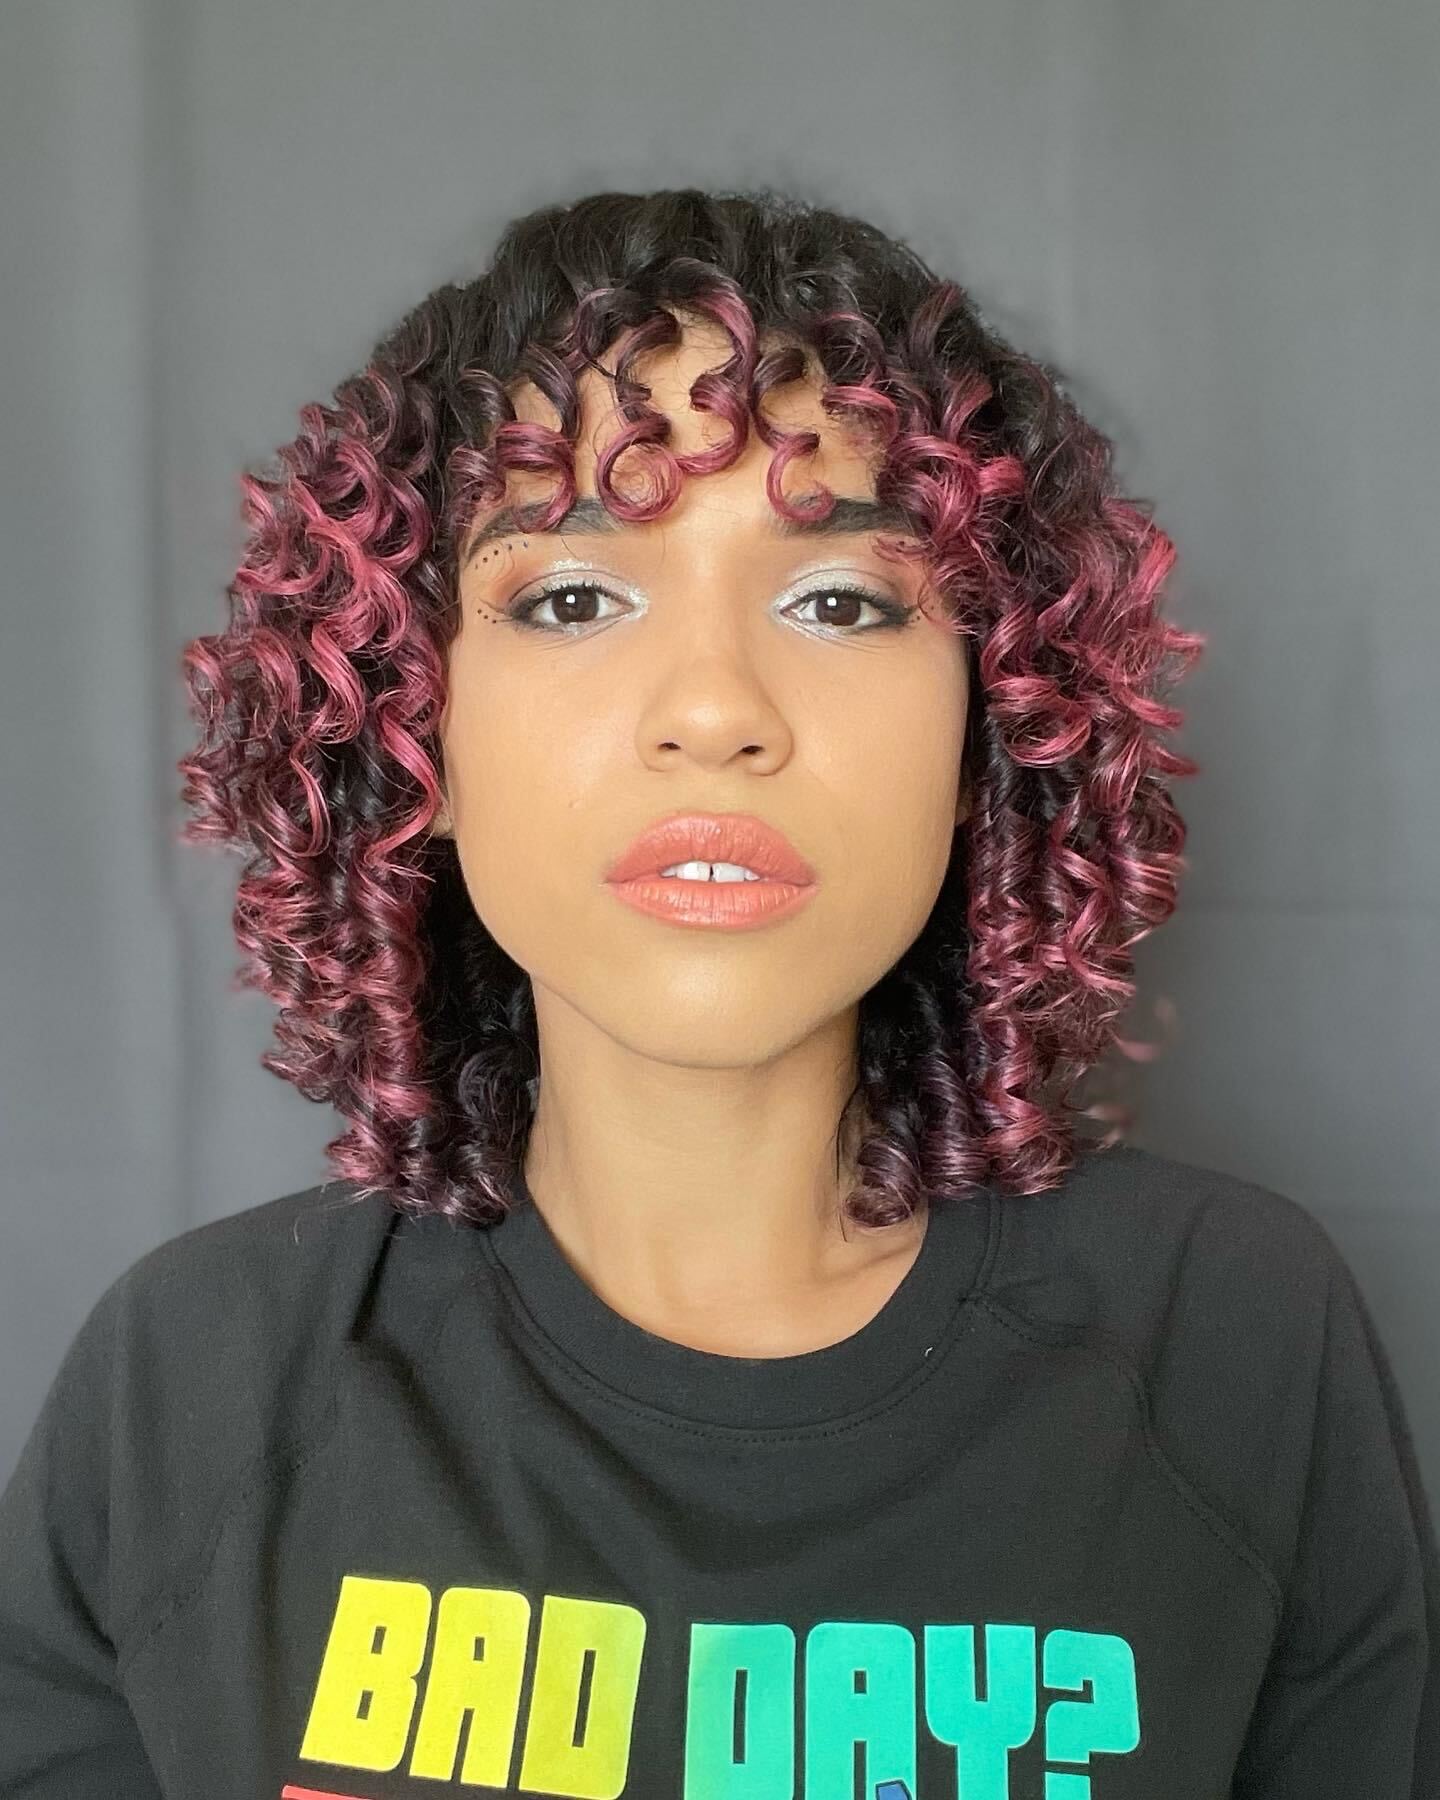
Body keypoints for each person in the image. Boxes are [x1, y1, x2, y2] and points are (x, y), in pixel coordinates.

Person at [0, 185, 1434, 1797]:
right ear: (415, 732)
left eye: (841, 601)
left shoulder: (1229, 1344)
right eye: (569, 597)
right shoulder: (195, 1386)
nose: (712, 707)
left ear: (992, 725)